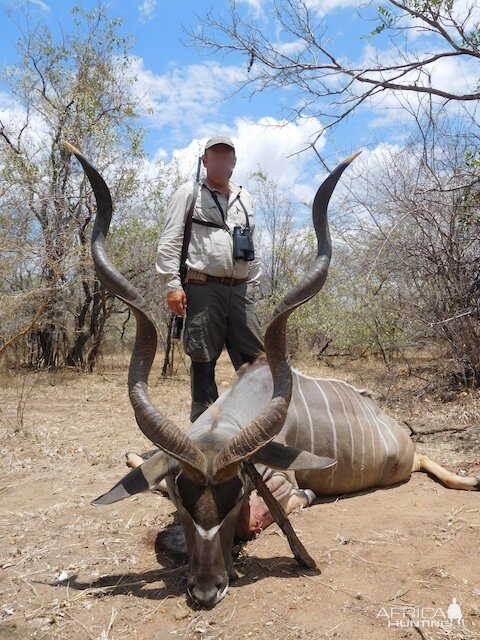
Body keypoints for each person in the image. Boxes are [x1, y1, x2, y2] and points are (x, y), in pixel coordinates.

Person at [156, 136, 264, 422]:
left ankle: (256, 425)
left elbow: (254, 244)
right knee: (203, 359)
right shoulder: (188, 192)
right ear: (205, 161)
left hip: (241, 291)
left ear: (234, 161)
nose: (220, 160)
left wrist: (253, 284)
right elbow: (170, 240)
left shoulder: (246, 197)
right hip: (204, 288)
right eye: (214, 155)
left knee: (256, 361)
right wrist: (172, 285)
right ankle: (206, 431)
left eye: (226, 155)